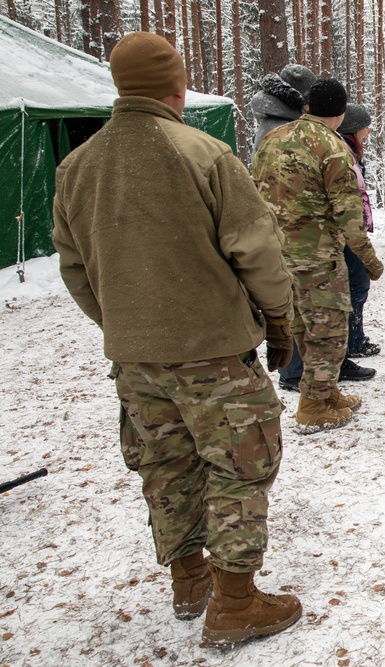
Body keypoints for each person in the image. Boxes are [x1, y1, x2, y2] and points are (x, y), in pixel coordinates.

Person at [51, 32, 301, 647]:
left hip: (135, 360)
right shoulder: (206, 154)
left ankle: (190, 581)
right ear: (177, 86)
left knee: (165, 466)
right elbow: (258, 252)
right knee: (241, 467)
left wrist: (124, 324)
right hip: (214, 351)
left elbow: (75, 268)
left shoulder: (75, 167)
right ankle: (235, 603)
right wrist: (278, 319)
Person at [252, 78, 384, 433]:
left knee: (302, 327)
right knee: (329, 331)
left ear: (309, 106)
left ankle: (325, 394)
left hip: (277, 254)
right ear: (340, 114)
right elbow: (349, 217)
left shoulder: (272, 139)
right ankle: (312, 408)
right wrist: (370, 261)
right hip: (317, 258)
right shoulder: (333, 148)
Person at [338, 104, 382, 360]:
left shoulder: (347, 150)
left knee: (355, 284)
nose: (368, 131)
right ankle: (352, 341)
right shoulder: (343, 153)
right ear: (354, 129)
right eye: (366, 126)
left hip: (347, 231)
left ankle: (352, 339)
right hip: (348, 233)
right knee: (357, 284)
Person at [250, 63, 317, 154]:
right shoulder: (284, 131)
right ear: (298, 100)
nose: (311, 107)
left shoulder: (279, 118)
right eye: (310, 101)